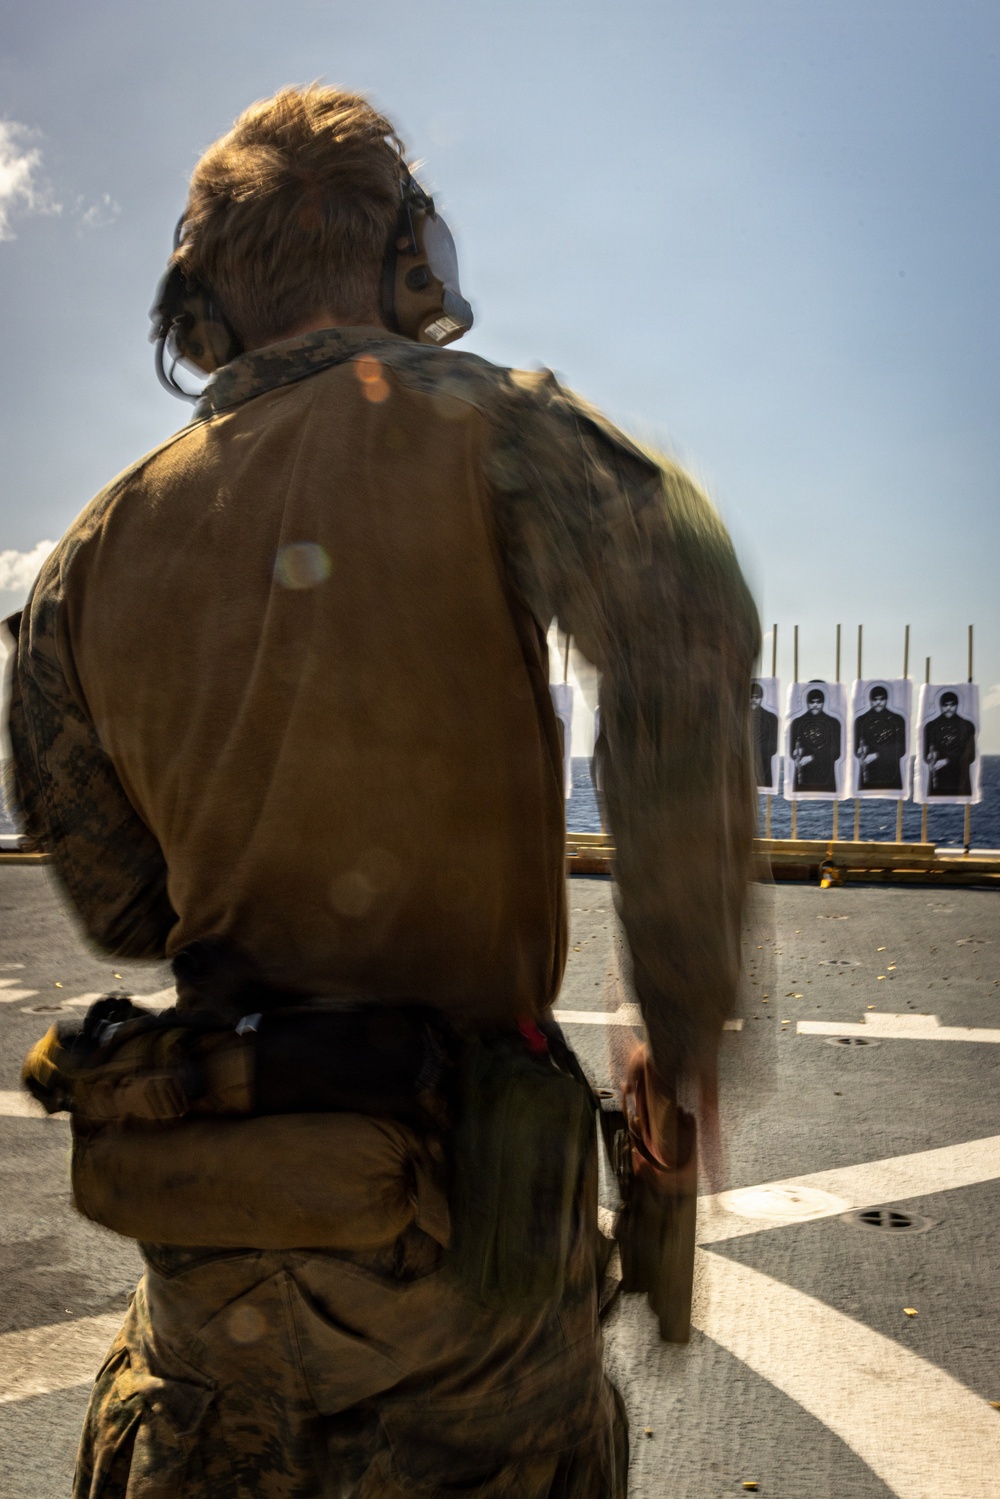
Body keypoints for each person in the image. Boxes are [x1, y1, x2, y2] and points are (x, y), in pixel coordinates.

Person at [7, 86, 758, 1499]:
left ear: (200, 313)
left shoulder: (85, 561)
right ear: (410, 258)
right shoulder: (497, 429)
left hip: (216, 1287)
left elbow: (117, 902)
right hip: (474, 1304)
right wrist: (679, 1016)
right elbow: (686, 620)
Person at [853, 685, 906, 791]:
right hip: (867, 776)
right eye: (875, 699)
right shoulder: (860, 721)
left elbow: (901, 749)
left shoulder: (897, 720)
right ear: (870, 700)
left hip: (891, 776)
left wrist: (878, 755)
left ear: (887, 699)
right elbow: (854, 748)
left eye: (882, 699)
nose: (878, 702)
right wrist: (858, 751)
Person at [923, 690, 976, 797]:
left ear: (957, 705)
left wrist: (947, 761)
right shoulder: (931, 726)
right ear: (940, 705)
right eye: (945, 705)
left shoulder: (967, 725)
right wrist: (929, 758)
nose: (948, 708)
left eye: (952, 705)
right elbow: (925, 755)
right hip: (937, 783)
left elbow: (970, 756)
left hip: (960, 782)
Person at [789, 685, 841, 793]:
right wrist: (795, 753)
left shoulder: (833, 723)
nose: (815, 705)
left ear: (823, 702)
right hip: (803, 778)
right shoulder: (797, 723)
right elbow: (791, 751)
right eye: (812, 702)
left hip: (826, 778)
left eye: (818, 702)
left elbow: (836, 753)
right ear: (807, 703)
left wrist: (812, 757)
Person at [750, 680, 779, 790]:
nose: (753, 699)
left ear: (761, 698)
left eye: (757, 697)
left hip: (763, 766)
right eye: (751, 696)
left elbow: (773, 748)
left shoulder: (771, 718)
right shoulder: (739, 718)